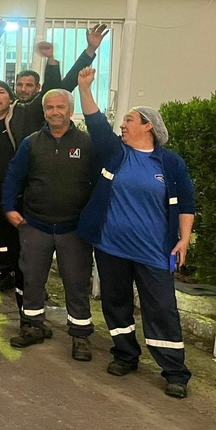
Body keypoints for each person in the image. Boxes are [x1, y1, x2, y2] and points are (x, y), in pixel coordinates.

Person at [0, 21, 106, 331]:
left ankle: (30, 318)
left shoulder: (24, 117)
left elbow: (61, 90)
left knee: (26, 266)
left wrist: (88, 51)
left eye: (2, 92)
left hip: (21, 209)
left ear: (11, 98)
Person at [76, 67, 195, 399]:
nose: (123, 125)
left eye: (129, 119)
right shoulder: (116, 153)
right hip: (111, 247)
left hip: (154, 251)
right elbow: (97, 123)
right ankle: (125, 355)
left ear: (148, 126)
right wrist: (84, 88)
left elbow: (186, 202)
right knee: (116, 303)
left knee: (162, 309)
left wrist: (184, 239)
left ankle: (175, 372)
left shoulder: (170, 163)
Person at [1, 88, 96, 360]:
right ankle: (32, 326)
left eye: (60, 107)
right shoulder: (31, 143)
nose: (55, 112)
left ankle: (80, 336)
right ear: (44, 112)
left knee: (76, 284)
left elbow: (99, 183)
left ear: (71, 110)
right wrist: (9, 208)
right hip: (36, 225)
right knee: (32, 280)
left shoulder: (87, 143)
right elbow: (13, 177)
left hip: (74, 229)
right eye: (49, 107)